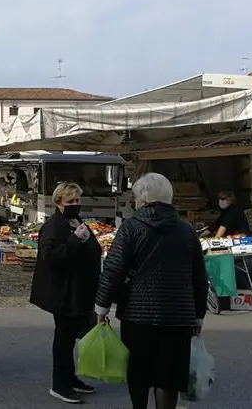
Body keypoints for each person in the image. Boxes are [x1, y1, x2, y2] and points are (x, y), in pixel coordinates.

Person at [95, 173, 208, 409]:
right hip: (178, 316)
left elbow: (113, 269)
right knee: (168, 378)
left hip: (138, 314)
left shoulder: (131, 228)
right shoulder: (186, 231)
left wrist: (102, 306)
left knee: (139, 373)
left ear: (142, 200)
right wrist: (198, 314)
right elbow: (199, 276)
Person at [29, 182, 102, 405]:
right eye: (70, 201)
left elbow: (93, 249)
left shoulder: (77, 221)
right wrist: (75, 241)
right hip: (63, 292)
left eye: (78, 200)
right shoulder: (53, 226)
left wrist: (88, 242)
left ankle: (70, 378)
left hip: (80, 290)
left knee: (71, 337)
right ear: (58, 202)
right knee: (64, 338)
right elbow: (50, 257)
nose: (75, 205)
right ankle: (60, 384)